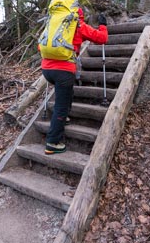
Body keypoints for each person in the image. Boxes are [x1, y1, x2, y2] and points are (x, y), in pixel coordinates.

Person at [41, 8, 108, 154]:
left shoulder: (54, 24)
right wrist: (103, 25)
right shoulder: (78, 25)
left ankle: (63, 118)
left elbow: (40, 45)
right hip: (64, 71)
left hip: (46, 69)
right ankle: (52, 142)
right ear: (80, 15)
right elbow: (102, 38)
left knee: (66, 93)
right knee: (61, 105)